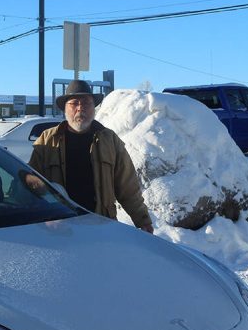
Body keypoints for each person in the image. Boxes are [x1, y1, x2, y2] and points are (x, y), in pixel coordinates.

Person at [28, 80, 154, 233]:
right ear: (65, 108)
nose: (80, 108)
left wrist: (142, 220)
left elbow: (128, 187)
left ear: (93, 108)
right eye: (74, 103)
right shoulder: (47, 140)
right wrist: (46, 215)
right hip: (61, 228)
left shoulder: (110, 140)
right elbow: (31, 184)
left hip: (101, 226)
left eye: (86, 103)